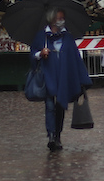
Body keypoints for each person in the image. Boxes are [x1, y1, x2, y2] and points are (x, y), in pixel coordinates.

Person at [32, 8, 91, 151]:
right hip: (48, 76)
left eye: (62, 18)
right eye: (59, 18)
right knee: (50, 106)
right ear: (52, 19)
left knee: (60, 107)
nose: (61, 21)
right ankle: (51, 135)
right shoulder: (42, 37)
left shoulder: (67, 37)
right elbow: (32, 55)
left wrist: (82, 79)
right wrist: (41, 53)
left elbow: (75, 57)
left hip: (63, 77)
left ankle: (57, 135)